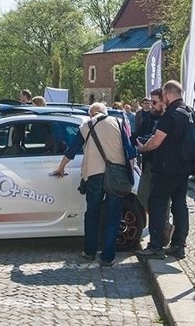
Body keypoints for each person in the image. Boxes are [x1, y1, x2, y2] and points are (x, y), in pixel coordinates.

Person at [51, 102, 134, 267]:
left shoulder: (86, 125)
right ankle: (108, 256)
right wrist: (130, 175)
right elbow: (129, 150)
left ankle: (90, 251)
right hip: (116, 175)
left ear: (92, 114)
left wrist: (61, 167)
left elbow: (72, 150)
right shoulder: (118, 122)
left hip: (94, 175)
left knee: (92, 213)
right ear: (104, 112)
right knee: (113, 215)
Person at [135, 80, 193, 259]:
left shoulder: (171, 114)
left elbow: (156, 141)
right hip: (184, 168)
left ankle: (156, 246)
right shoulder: (188, 112)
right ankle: (178, 245)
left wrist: (143, 148)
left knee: (157, 203)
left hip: (167, 168)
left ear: (167, 94)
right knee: (180, 206)